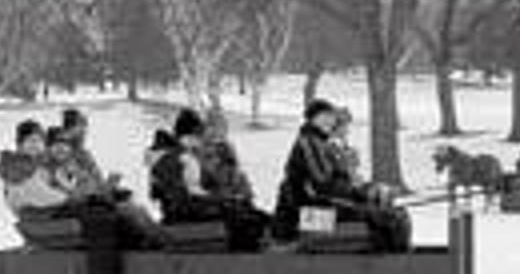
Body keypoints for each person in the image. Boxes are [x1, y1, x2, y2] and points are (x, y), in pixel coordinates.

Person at [0, 120, 126, 274]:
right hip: (41, 216)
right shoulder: (19, 167)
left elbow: (57, 189)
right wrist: (73, 198)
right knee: (98, 219)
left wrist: (84, 194)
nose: (35, 145)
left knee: (102, 211)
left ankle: (110, 272)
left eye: (39, 141)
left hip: (48, 212)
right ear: (20, 144)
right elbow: (41, 195)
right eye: (30, 141)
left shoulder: (35, 164)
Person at [271, 99, 410, 251]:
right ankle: (388, 265)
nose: (330, 121)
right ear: (313, 119)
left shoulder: (321, 143)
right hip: (305, 216)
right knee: (383, 218)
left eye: (331, 117)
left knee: (392, 214)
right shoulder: (309, 143)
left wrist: (368, 191)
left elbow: (340, 181)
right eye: (324, 116)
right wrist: (362, 195)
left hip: (316, 208)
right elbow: (323, 186)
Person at [148, 108, 268, 251]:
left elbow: (198, 190)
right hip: (184, 213)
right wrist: (224, 201)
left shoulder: (181, 157)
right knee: (243, 220)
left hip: (187, 209)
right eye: (199, 134)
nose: (200, 141)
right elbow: (189, 195)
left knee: (250, 216)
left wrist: (230, 199)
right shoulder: (177, 158)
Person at [200, 109, 254, 202]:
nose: (216, 132)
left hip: (229, 195)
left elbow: (236, 171)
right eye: (212, 126)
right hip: (214, 198)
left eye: (221, 128)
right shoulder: (201, 150)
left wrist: (243, 192)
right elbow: (208, 177)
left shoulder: (227, 148)